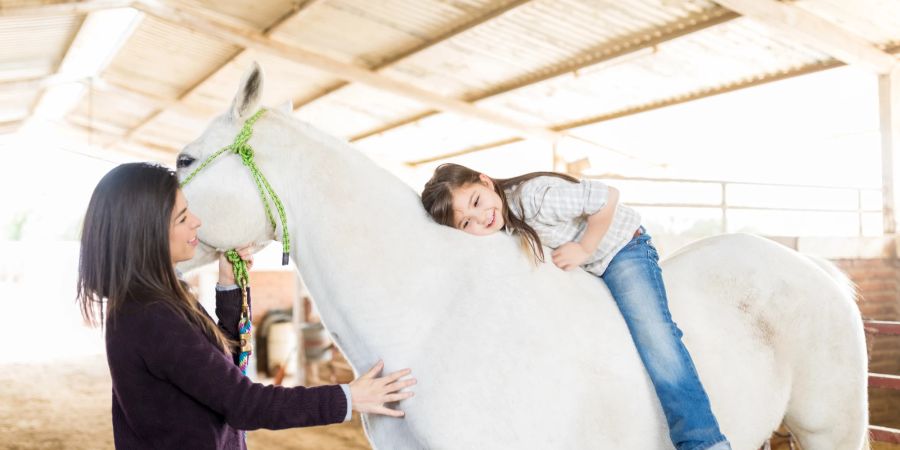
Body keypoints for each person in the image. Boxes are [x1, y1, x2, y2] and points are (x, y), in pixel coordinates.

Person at [76, 162, 415, 449]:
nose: (196, 221)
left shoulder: (160, 298)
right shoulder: (150, 317)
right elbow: (243, 403)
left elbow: (225, 366)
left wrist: (229, 285)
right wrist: (348, 398)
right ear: (146, 235)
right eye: (181, 218)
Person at [421, 163, 729, 450]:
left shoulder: (536, 197)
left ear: (485, 181)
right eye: (466, 222)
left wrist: (584, 248)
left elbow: (607, 197)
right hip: (589, 267)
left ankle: (704, 440)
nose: (480, 218)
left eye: (476, 202)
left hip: (620, 249)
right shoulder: (498, 227)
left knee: (655, 335)